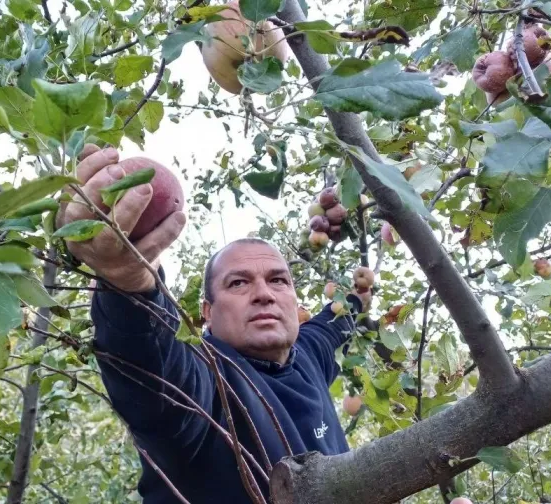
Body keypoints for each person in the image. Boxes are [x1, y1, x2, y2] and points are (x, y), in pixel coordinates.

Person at [60, 145, 367, 503]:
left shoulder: (307, 357)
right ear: (207, 312)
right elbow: (156, 373)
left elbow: (332, 323)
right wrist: (129, 285)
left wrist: (359, 297)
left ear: (294, 300)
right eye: (238, 283)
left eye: (278, 280)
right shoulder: (207, 378)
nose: (263, 294)